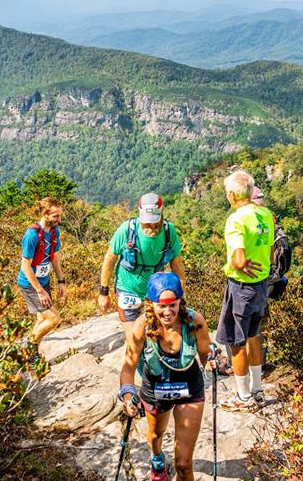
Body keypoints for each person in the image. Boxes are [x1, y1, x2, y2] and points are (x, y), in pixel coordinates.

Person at [118, 272, 221, 481]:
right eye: (161, 306)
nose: (167, 312)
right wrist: (128, 394)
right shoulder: (141, 328)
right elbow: (128, 368)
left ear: (180, 302)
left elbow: (205, 354)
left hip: (189, 388)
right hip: (155, 390)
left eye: (172, 305)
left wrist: (213, 359)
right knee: (155, 436)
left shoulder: (195, 322)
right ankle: (157, 459)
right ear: (150, 303)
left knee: (183, 464)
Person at [217, 170, 275, 412]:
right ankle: (257, 390)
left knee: (236, 342)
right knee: (253, 336)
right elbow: (271, 253)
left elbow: (239, 259)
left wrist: (240, 265)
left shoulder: (237, 220)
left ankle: (243, 397)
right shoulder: (265, 214)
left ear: (231, 195)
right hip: (262, 284)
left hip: (241, 287)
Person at [98, 193, 185, 344]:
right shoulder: (127, 230)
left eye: (154, 221)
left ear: (161, 212)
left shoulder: (168, 231)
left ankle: (153, 366)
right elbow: (109, 259)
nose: (150, 225)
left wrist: (181, 292)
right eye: (146, 222)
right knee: (135, 339)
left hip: (156, 291)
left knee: (157, 336)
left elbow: (176, 263)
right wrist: (103, 293)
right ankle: (138, 366)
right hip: (127, 289)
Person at [17, 197, 65, 362]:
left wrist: (61, 281)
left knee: (42, 318)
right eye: (55, 216)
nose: (59, 219)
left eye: (59, 215)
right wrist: (40, 291)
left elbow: (55, 257)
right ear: (45, 214)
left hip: (44, 281)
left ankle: (32, 354)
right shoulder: (31, 235)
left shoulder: (53, 232)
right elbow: (25, 266)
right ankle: (28, 346)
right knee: (54, 319)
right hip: (30, 285)